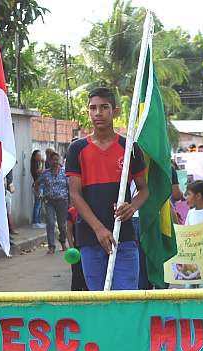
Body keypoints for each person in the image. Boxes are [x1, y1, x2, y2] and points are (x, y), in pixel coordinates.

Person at [66, 87, 148, 291]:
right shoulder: (76, 149)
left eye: (104, 107)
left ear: (116, 111)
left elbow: (144, 190)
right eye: (93, 108)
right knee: (99, 300)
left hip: (124, 235)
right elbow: (75, 194)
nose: (98, 113)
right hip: (89, 236)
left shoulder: (130, 148)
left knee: (126, 299)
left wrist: (133, 206)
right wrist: (99, 228)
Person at [38, 152, 69, 254]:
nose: (55, 162)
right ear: (49, 161)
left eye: (57, 160)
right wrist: (40, 194)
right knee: (50, 223)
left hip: (62, 201)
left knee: (62, 225)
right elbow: (37, 184)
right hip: (49, 201)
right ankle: (51, 246)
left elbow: (70, 187)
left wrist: (71, 202)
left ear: (59, 160)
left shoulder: (64, 172)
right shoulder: (45, 173)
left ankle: (63, 242)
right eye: (53, 160)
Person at [66, 206, 87, 291]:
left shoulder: (92, 209)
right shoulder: (72, 212)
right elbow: (69, 231)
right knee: (76, 275)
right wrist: (72, 249)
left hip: (90, 247)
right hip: (77, 250)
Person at [30, 150, 45, 228]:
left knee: (40, 204)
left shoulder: (39, 163)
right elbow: (40, 172)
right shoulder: (35, 165)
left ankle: (38, 220)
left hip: (41, 185)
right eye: (38, 155)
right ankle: (35, 221)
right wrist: (43, 163)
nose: (40, 157)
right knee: (37, 204)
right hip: (37, 185)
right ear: (35, 156)